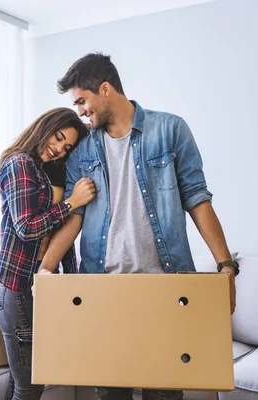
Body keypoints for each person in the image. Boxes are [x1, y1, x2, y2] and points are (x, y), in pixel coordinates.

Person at [37, 53, 239, 400]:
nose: (81, 111)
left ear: (104, 89)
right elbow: (76, 217)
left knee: (164, 393)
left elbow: (197, 199)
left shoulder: (171, 130)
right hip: (103, 291)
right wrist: (45, 268)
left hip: (164, 288)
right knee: (110, 393)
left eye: (82, 101)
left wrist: (226, 266)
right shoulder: (82, 149)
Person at [0, 107, 96, 400]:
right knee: (29, 389)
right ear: (45, 126)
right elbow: (26, 227)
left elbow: (59, 236)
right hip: (16, 292)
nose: (59, 149)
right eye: (58, 137)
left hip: (26, 292)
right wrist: (71, 203)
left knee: (21, 385)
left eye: (67, 146)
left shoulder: (40, 169)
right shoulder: (20, 164)